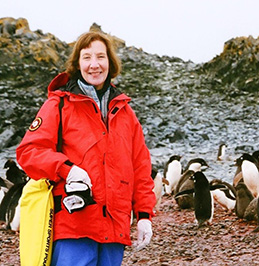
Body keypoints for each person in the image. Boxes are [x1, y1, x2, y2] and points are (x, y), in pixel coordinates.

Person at [16, 30, 156, 266]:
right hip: (74, 224)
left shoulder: (125, 113)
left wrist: (144, 216)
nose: (94, 65)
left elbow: (140, 168)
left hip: (115, 227)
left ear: (110, 63)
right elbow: (29, 152)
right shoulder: (59, 105)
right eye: (87, 57)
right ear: (77, 63)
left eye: (100, 57)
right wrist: (67, 169)